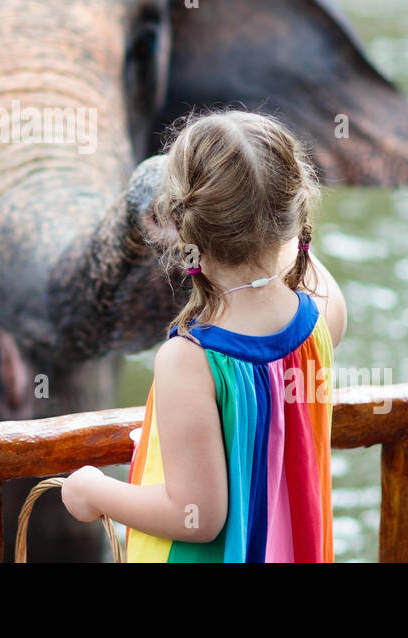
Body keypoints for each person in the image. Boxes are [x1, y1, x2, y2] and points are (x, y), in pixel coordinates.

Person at [60, 110, 347, 561]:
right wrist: (278, 228)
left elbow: (196, 514)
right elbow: (300, 258)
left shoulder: (188, 359)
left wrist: (95, 490)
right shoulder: (319, 318)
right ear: (294, 215)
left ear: (179, 227)